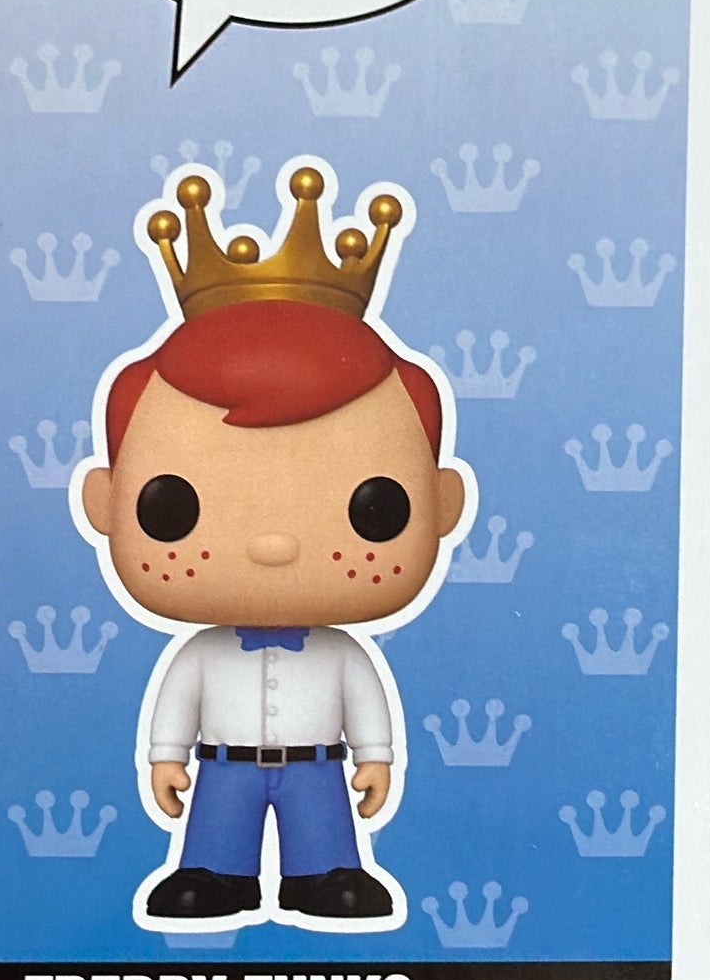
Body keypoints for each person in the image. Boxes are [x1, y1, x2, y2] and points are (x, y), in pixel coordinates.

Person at [78, 165, 469, 926]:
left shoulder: (343, 655)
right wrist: (165, 756)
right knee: (214, 838)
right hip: (222, 769)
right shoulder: (199, 655)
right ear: (105, 501)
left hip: (317, 769)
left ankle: (327, 875)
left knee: (325, 840)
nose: (273, 544)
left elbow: (365, 702)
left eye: (375, 509)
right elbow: (178, 702)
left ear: (443, 503)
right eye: (172, 507)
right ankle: (211, 875)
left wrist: (376, 757)